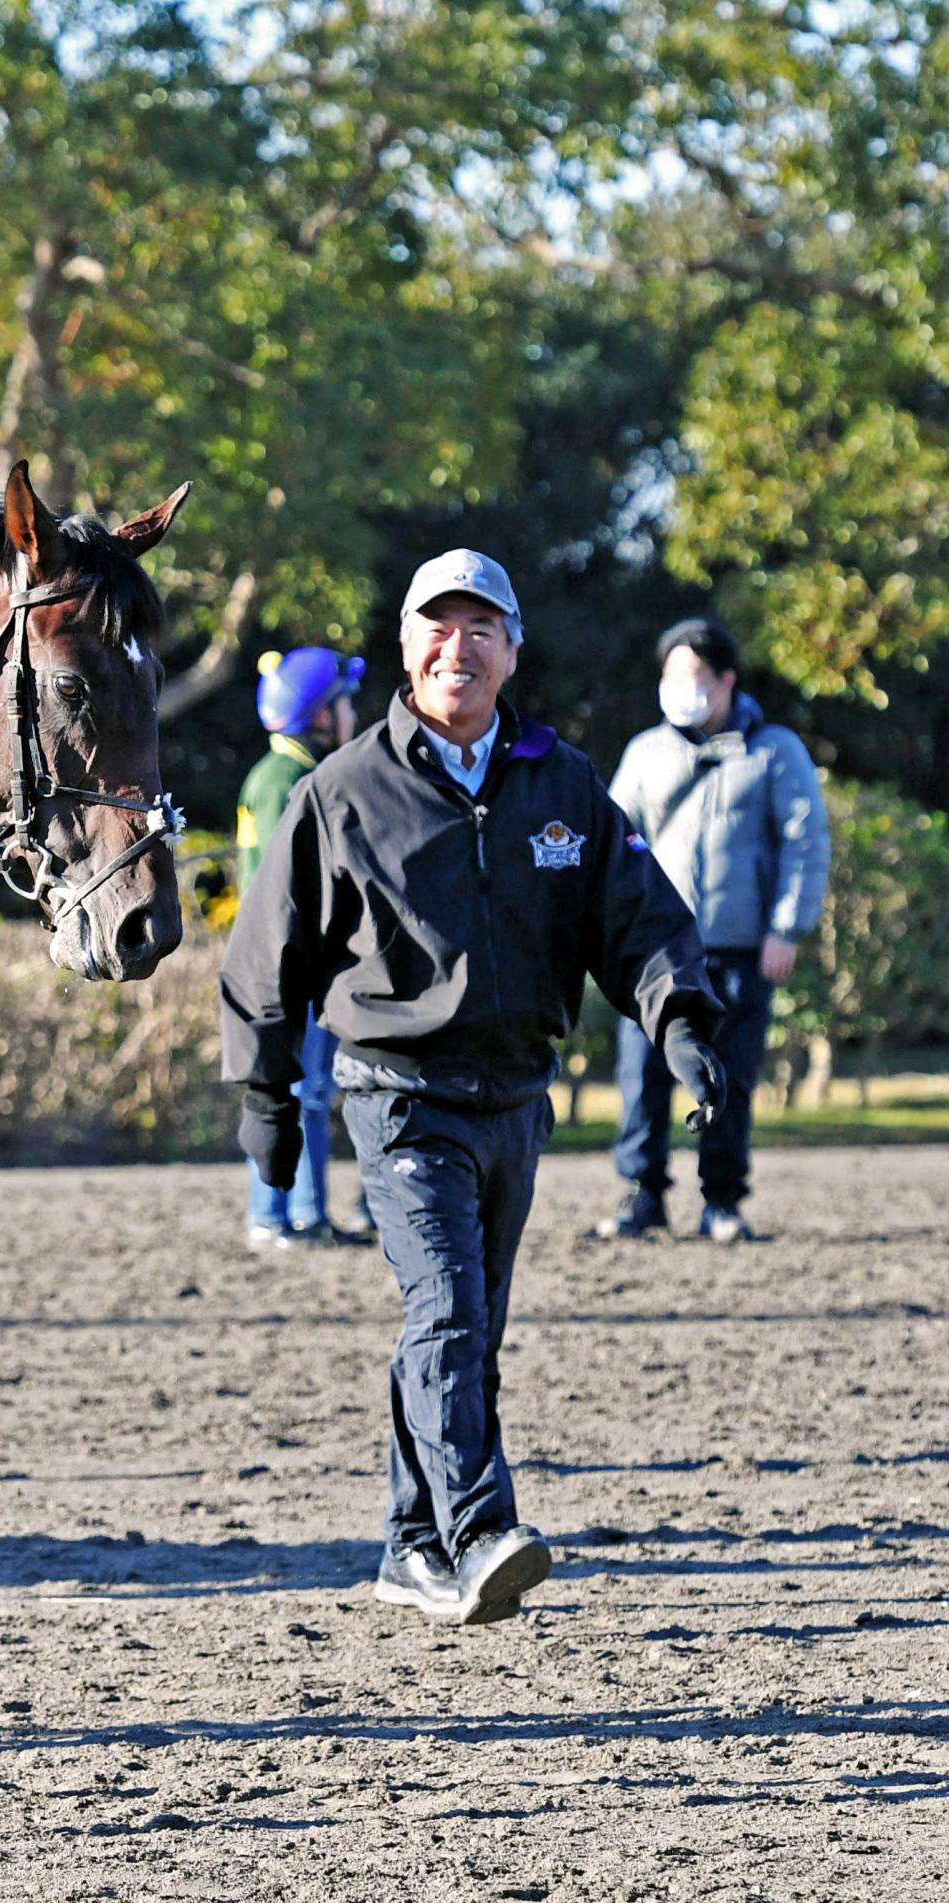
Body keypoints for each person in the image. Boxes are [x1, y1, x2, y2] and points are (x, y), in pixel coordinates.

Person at [218, 549, 725, 1626]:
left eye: (480, 627)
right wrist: (265, 1102)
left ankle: (408, 1545)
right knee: (445, 1311)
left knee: (460, 1330)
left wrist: (680, 1024)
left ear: (511, 648)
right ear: (406, 648)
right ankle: (480, 1528)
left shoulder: (564, 781)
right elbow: (265, 961)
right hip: (396, 1095)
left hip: (515, 1101)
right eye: (436, 627)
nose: (458, 647)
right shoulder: (339, 791)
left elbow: (635, 921)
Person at [598, 618, 830, 1243]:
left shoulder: (775, 751)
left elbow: (804, 844)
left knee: (731, 1076)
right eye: (671, 675)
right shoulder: (645, 753)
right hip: (654, 953)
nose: (682, 688)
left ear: (726, 679)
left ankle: (721, 1200)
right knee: (641, 1075)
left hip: (739, 947)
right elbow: (614, 845)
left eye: (695, 675)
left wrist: (786, 927)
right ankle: (640, 1194)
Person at [235, 647, 365, 1249]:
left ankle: (304, 1214)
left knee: (306, 1093)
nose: (352, 713)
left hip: (294, 963)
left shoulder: (280, 775)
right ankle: (279, 1217)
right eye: (342, 702)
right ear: (317, 717)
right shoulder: (291, 781)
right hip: (290, 966)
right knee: (294, 1093)